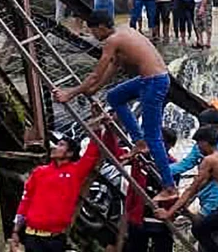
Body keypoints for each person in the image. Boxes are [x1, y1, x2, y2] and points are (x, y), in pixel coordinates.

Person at [53, 12, 177, 202]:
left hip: (153, 82)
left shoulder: (112, 40)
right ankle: (139, 141)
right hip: (152, 79)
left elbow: (96, 74)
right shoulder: (123, 33)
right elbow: (113, 68)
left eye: (92, 30)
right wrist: (93, 89)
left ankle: (169, 187)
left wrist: (70, 93)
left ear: (101, 27)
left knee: (153, 136)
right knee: (115, 97)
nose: (91, 34)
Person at [10, 128, 115, 252]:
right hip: (32, 237)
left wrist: (97, 129)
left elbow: (91, 155)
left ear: (70, 153)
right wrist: (16, 230)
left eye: (61, 145)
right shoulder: (39, 172)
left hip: (55, 238)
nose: (55, 147)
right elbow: (26, 200)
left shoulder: (75, 172)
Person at [168, 110, 218, 217]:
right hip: (206, 192)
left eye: (204, 125)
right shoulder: (200, 145)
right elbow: (186, 164)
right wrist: (163, 170)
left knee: (208, 224)